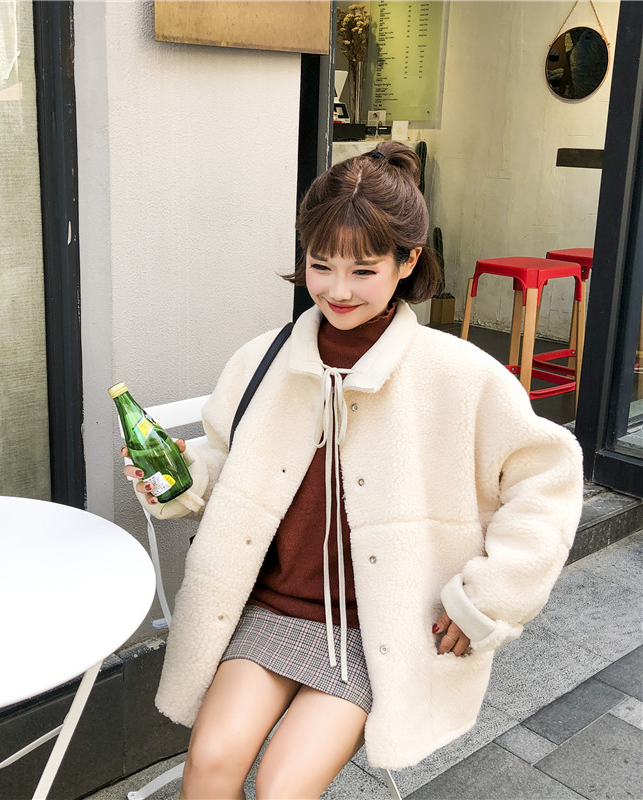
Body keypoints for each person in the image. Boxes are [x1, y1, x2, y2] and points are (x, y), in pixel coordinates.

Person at [120, 141, 583, 799]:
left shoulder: (457, 374)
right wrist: (181, 474)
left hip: (382, 625)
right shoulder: (262, 360)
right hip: (271, 608)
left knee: (282, 786)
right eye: (320, 265)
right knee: (212, 762)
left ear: (408, 261)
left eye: (363, 270)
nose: (337, 290)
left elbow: (548, 478)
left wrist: (491, 596)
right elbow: (223, 459)